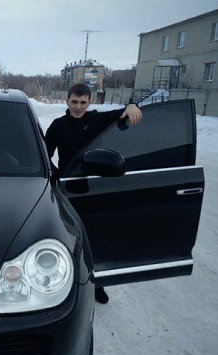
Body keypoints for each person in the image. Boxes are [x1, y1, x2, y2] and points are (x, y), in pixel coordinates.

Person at [44, 83, 143, 304]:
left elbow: (122, 113)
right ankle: (67, 284)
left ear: (89, 102)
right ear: (67, 101)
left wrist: (132, 105)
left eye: (83, 102)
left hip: (95, 189)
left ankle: (97, 283)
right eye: (74, 102)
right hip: (69, 188)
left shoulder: (96, 120)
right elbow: (44, 154)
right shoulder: (58, 126)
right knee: (69, 238)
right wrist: (56, 174)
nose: (78, 107)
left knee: (95, 238)